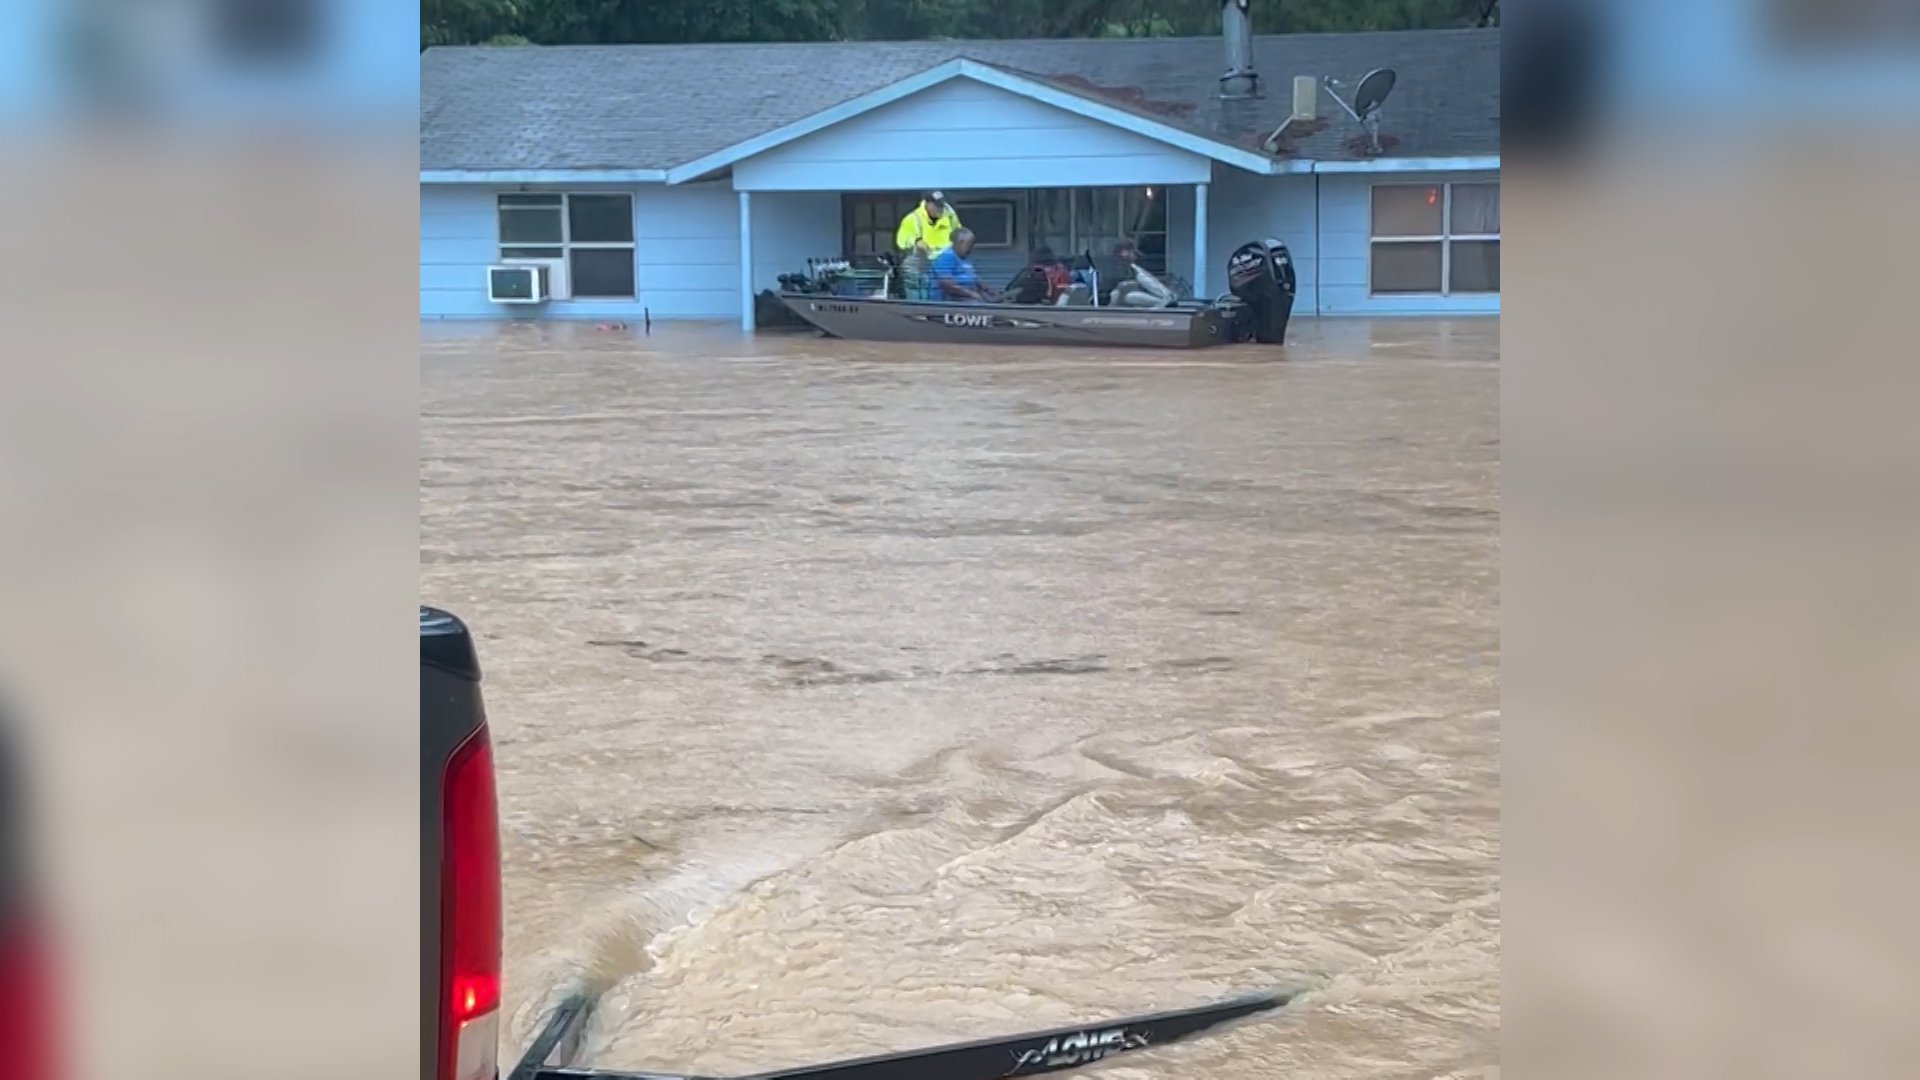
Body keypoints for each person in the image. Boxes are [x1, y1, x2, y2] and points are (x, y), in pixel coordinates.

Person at [895, 191, 962, 300]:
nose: (940, 209)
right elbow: (901, 242)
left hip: (943, 264)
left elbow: (959, 232)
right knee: (918, 296)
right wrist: (917, 242)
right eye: (937, 206)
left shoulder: (949, 214)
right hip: (919, 266)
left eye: (941, 205)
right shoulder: (913, 219)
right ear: (928, 204)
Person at [930, 229, 996, 302]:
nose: (971, 248)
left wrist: (987, 290)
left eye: (972, 245)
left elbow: (974, 278)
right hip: (951, 301)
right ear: (959, 243)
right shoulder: (947, 257)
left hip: (967, 298)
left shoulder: (964, 258)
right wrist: (971, 294)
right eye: (969, 245)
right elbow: (947, 284)